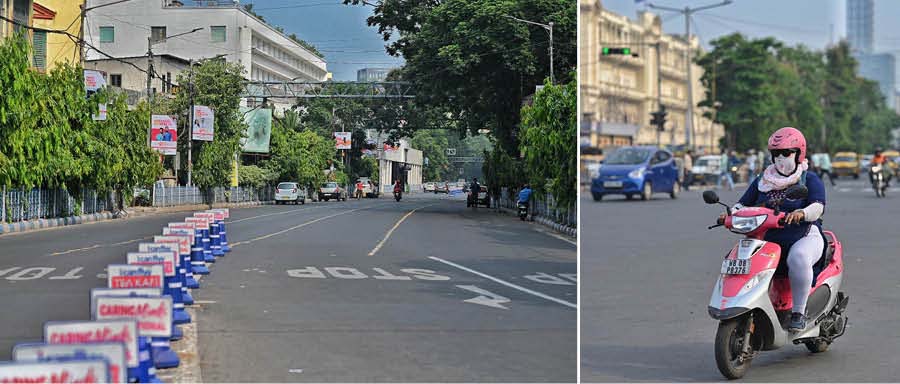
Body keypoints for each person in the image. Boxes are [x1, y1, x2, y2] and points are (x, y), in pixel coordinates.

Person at [719, 127, 826, 332]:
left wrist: (802, 214)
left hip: (803, 234)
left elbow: (818, 206)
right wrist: (730, 215)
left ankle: (798, 312)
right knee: (742, 259)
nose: (780, 158)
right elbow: (742, 204)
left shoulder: (808, 178)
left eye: (786, 152)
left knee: (799, 257)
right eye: (776, 153)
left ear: (799, 153)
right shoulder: (763, 180)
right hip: (767, 237)